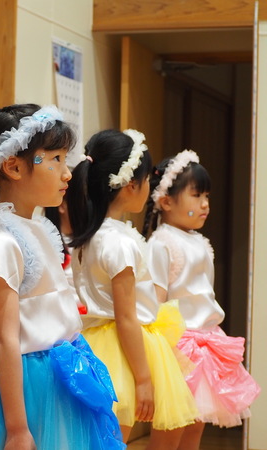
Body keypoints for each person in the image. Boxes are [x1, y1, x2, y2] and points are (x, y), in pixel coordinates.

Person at [0, 104, 124, 450]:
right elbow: (6, 340)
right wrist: (17, 429)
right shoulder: (2, 242)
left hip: (58, 373)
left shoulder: (34, 226)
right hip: (28, 384)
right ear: (14, 167)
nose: (67, 174)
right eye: (56, 159)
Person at [66, 129, 198, 449]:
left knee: (98, 439)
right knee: (113, 439)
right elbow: (126, 317)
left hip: (93, 341)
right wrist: (143, 379)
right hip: (121, 350)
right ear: (130, 185)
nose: (149, 186)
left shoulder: (90, 236)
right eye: (147, 179)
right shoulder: (119, 242)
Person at [143, 150, 261, 449]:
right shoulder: (161, 243)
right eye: (196, 196)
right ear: (166, 201)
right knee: (171, 426)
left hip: (207, 343)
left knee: (195, 425)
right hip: (179, 347)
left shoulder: (200, 241)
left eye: (206, 196)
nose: (205, 204)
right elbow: (156, 304)